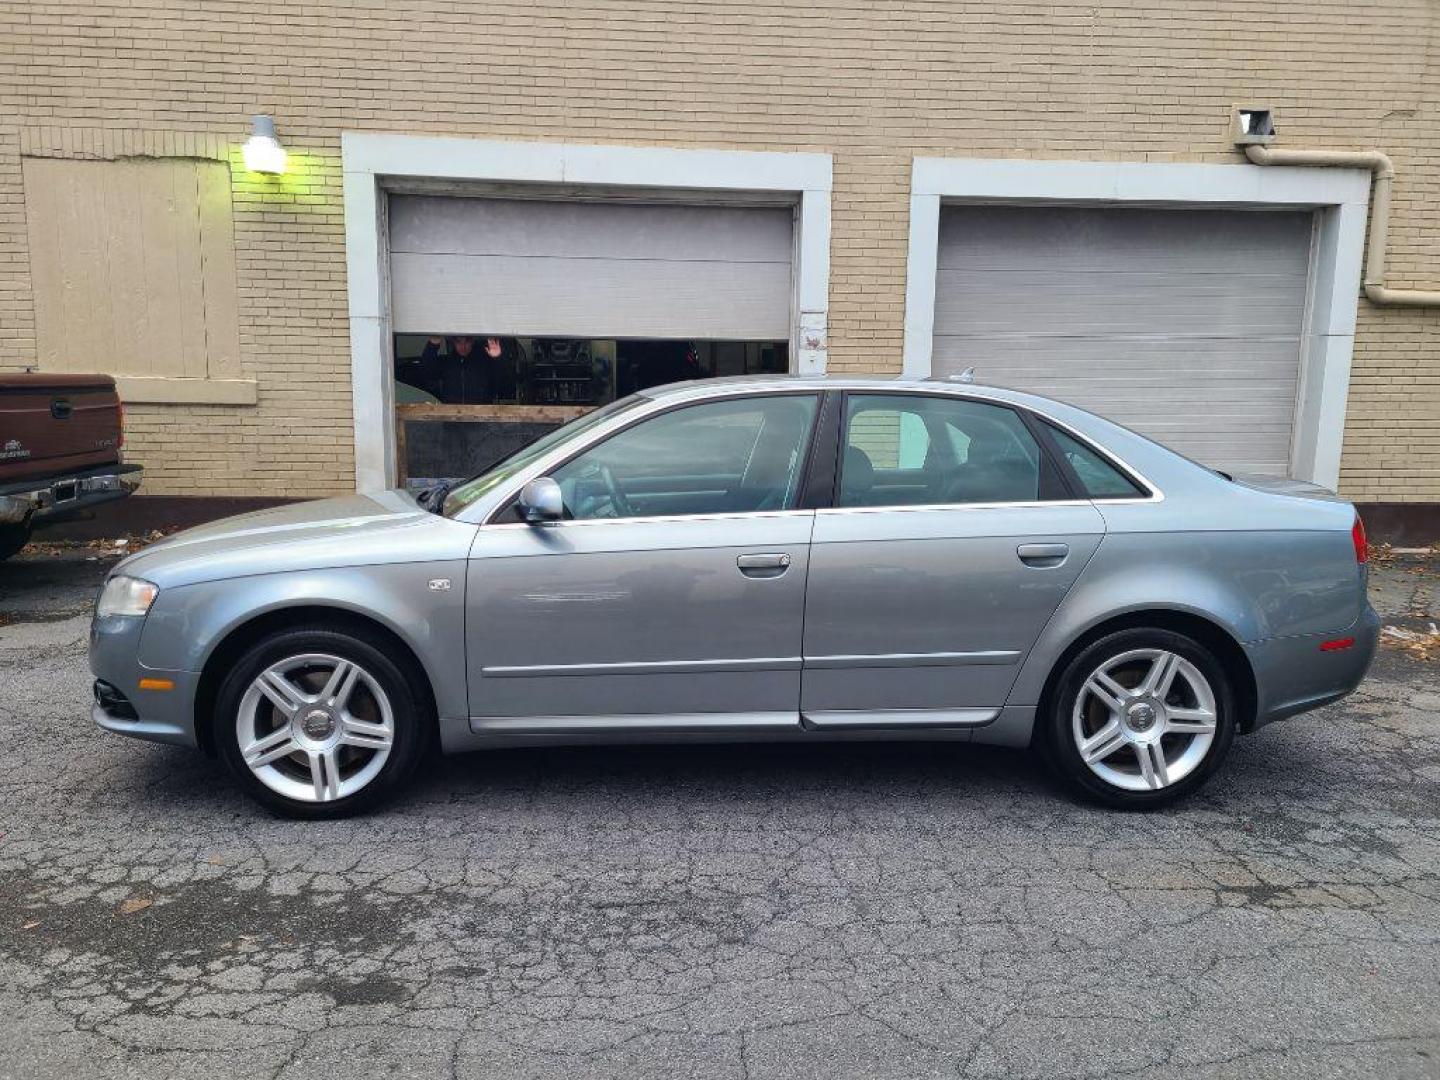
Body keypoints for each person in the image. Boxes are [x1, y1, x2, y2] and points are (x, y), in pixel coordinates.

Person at [418, 335, 508, 404]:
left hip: (481, 420)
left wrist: (497, 358)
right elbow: (427, 373)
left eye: (467, 341)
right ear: (453, 342)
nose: (463, 346)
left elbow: (504, 380)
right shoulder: (447, 362)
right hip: (452, 421)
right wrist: (432, 345)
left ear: (472, 341)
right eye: (458, 342)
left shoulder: (484, 363)